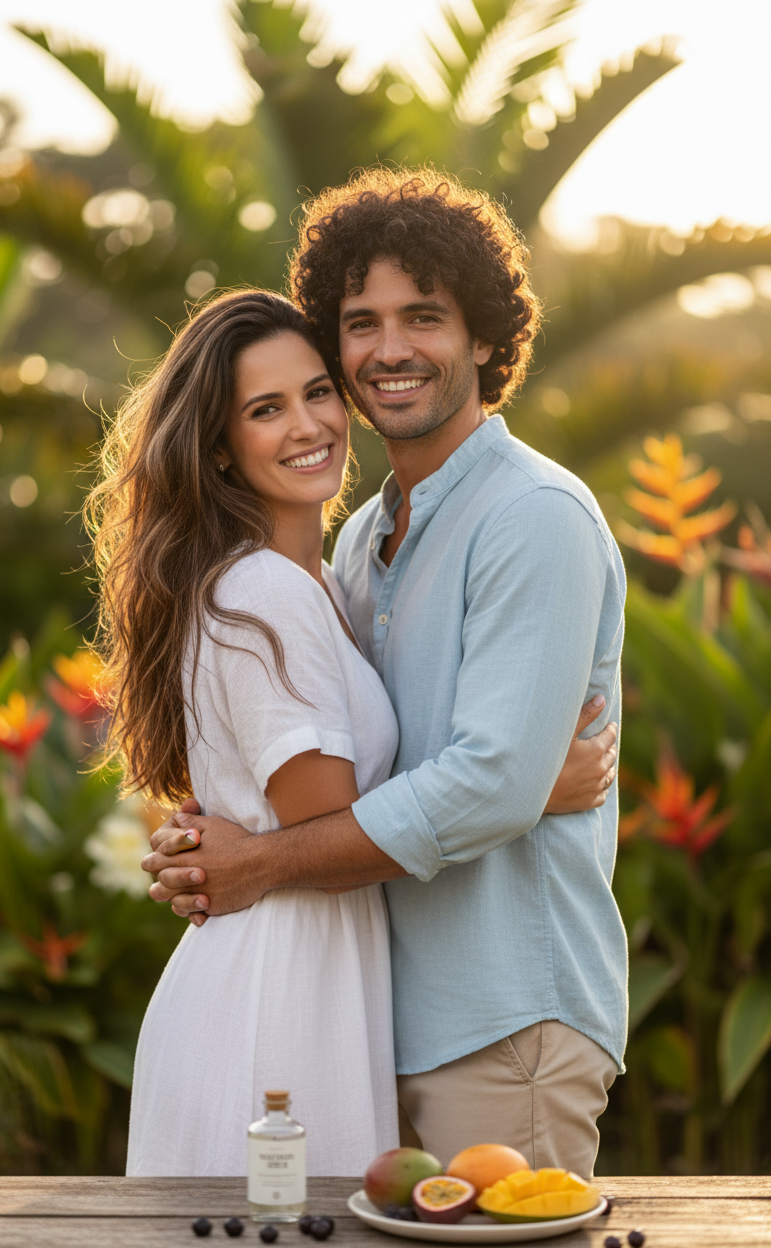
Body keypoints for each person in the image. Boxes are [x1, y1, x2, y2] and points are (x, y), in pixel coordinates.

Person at [143, 168, 627, 1180]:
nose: (389, 348)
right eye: (359, 323)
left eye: (425, 316)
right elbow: (333, 755)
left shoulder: (532, 517)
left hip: (503, 1023)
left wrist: (257, 860)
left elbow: (488, 782)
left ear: (486, 336)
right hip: (365, 1020)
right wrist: (218, 825)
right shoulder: (357, 547)